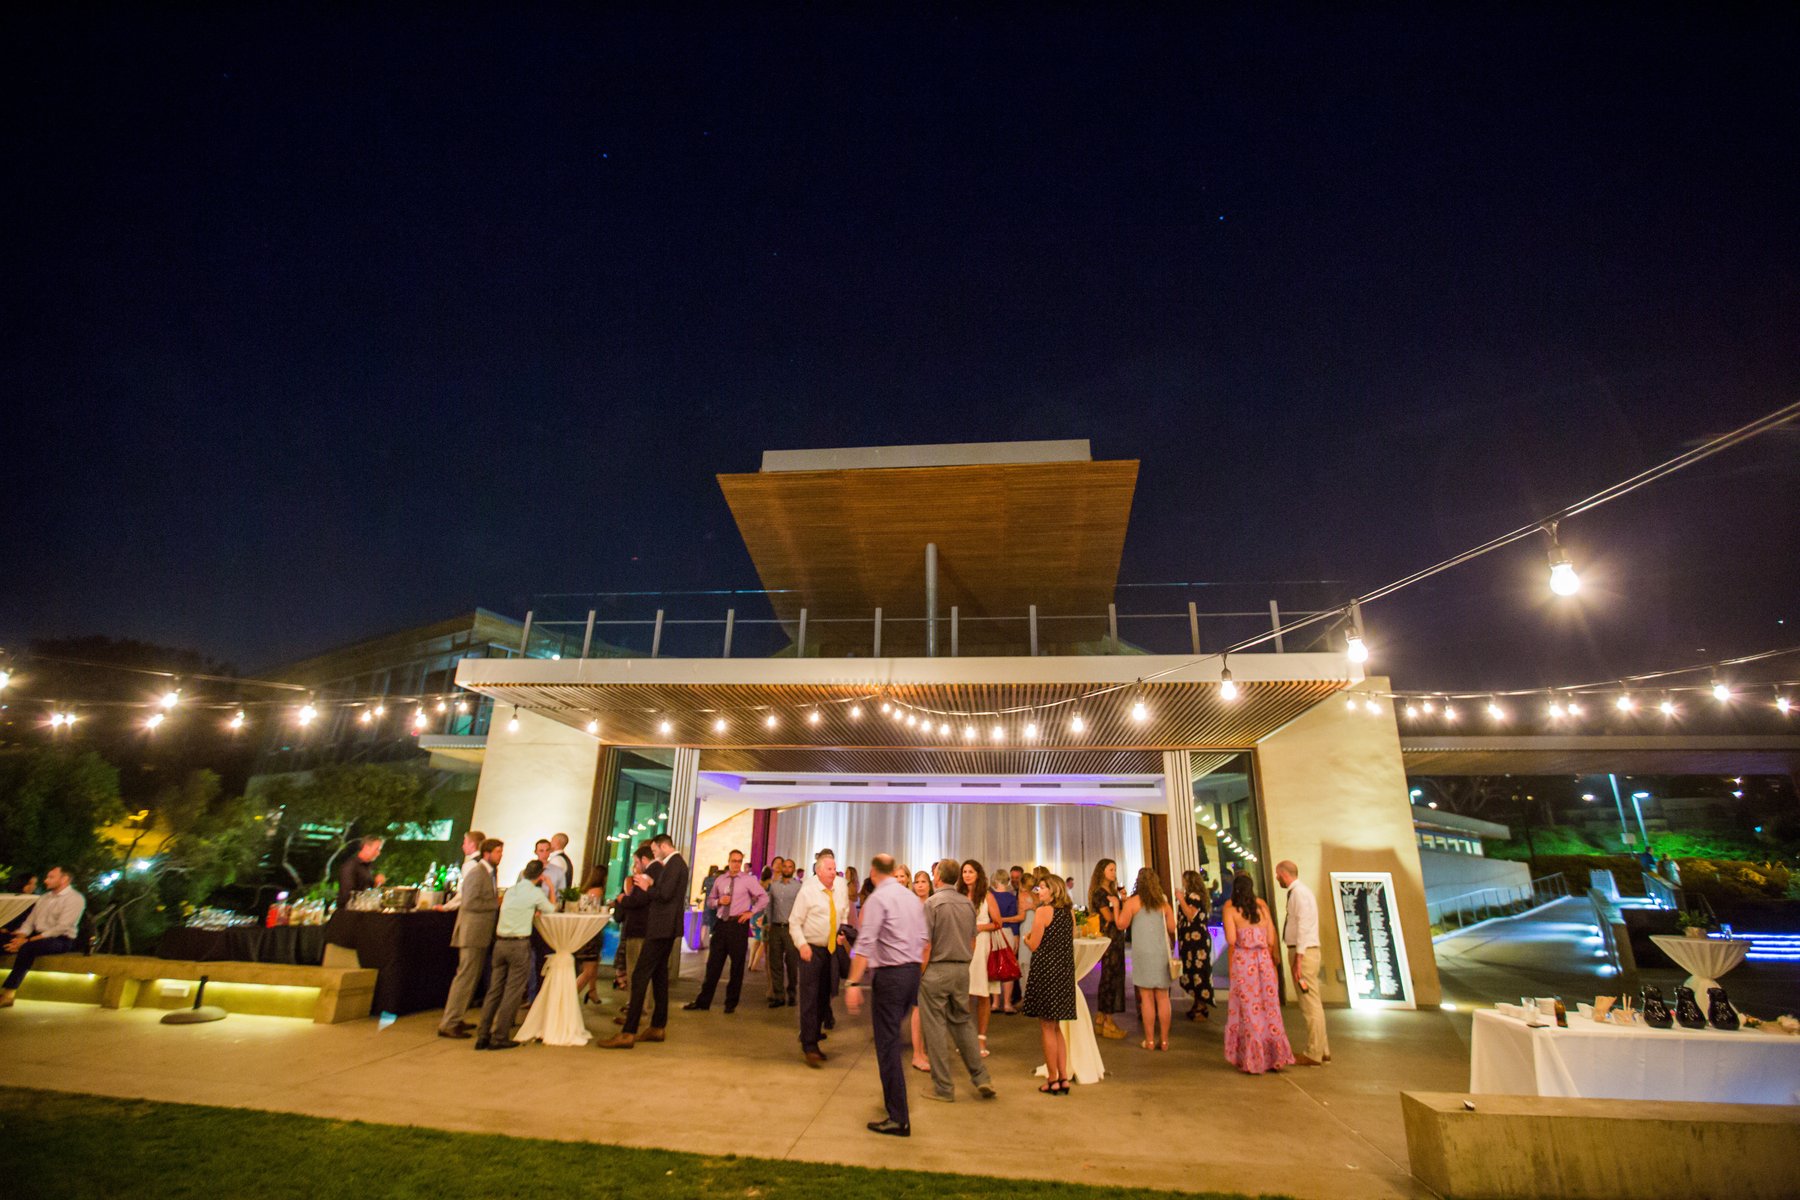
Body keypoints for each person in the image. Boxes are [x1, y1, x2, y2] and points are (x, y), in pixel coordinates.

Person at [844, 854, 927, 1137]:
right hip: (912, 973)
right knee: (892, 1039)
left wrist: (853, 983)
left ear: (873, 873)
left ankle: (898, 1117)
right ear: (893, 871)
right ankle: (897, 1110)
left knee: (888, 1045)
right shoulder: (911, 899)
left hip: (891, 976)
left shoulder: (878, 900)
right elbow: (923, 939)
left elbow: (865, 943)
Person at [598, 833, 689, 1049]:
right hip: (666, 927)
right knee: (659, 977)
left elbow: (665, 895)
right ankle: (657, 1026)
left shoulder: (675, 864)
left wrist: (648, 886)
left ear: (663, 846)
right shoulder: (675, 864)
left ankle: (628, 1032)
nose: (654, 855)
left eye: (655, 850)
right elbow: (666, 891)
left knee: (639, 976)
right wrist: (652, 883)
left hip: (661, 927)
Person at [918, 859, 997, 1103]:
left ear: (938, 877)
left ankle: (943, 1087)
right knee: (963, 1022)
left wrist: (920, 973)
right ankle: (981, 1077)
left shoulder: (932, 904)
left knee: (935, 1028)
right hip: (962, 969)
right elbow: (973, 940)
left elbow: (926, 944)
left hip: (936, 969)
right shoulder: (967, 904)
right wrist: (964, 963)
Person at [475, 859, 556, 1050]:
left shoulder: (511, 891)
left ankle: (483, 1034)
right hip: (519, 944)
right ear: (540, 876)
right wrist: (551, 888)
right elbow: (551, 909)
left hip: (500, 943)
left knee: (494, 990)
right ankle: (500, 1036)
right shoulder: (535, 893)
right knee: (513, 991)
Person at [1222, 872, 1295, 1075]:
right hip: (1263, 961)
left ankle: (1253, 1058)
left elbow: (1231, 939)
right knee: (1269, 1008)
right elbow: (1271, 939)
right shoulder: (1262, 909)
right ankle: (1274, 1056)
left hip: (1244, 961)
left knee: (1249, 1009)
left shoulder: (1231, 911)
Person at [685, 848, 768, 1013]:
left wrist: (751, 912)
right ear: (729, 861)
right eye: (733, 861)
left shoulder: (748, 880)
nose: (736, 864)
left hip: (738, 925)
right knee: (713, 965)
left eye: (739, 861)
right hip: (721, 924)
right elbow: (710, 901)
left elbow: (764, 897)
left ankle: (730, 1004)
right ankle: (703, 1001)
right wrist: (718, 902)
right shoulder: (720, 880)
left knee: (737, 966)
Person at [437, 838, 502, 1039]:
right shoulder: (477, 873)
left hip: (481, 933)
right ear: (486, 853)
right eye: (498, 852)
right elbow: (470, 902)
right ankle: (449, 1022)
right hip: (472, 932)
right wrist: (495, 903)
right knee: (465, 977)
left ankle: (457, 1017)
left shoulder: (490, 873)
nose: (500, 855)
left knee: (471, 978)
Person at [789, 848, 848, 1067]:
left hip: (830, 950)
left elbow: (842, 913)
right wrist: (802, 945)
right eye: (829, 869)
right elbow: (794, 922)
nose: (833, 872)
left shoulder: (839, 888)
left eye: (835, 868)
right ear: (819, 871)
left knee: (825, 995)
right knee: (810, 997)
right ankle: (809, 1045)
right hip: (811, 949)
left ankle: (814, 1035)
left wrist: (842, 932)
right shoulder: (808, 891)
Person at [1019, 873, 1075, 1095]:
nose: (1039, 891)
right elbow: (1070, 937)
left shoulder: (1043, 912)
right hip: (1063, 971)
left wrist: (1026, 939)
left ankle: (1052, 1078)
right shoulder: (1068, 912)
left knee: (1046, 1027)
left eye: (1042, 888)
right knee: (1057, 1026)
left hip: (1046, 971)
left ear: (1053, 890)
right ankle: (1063, 1076)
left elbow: (1034, 944)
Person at [0, 866, 85, 1007]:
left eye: (51, 877)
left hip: (61, 939)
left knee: (27, 948)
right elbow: (30, 922)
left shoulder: (75, 899)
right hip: (36, 936)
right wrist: (19, 937)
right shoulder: (44, 898)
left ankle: (9, 993)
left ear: (64, 879)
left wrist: (26, 941)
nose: (46, 880)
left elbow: (61, 928)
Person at [1276, 859, 1328, 1066]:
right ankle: (1322, 1049)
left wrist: (1298, 958)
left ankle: (1313, 1052)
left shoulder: (1298, 894)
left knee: (1309, 1004)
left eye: (1278, 875)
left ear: (1284, 874)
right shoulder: (1301, 892)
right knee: (1313, 1001)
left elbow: (1304, 926)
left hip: (1304, 953)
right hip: (1305, 951)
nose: (1277, 878)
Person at [1119, 867, 1177, 1051]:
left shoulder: (1133, 902)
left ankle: (1150, 1040)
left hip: (1142, 953)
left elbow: (1121, 924)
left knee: (1146, 998)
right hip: (1160, 953)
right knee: (1163, 997)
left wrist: (1117, 906)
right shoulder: (1163, 903)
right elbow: (1172, 927)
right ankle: (1165, 1040)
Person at [959, 860, 1002, 1056]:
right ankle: (966, 1038)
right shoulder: (958, 896)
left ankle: (981, 1038)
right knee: (964, 994)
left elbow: (998, 923)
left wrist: (979, 927)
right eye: (964, 872)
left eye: (971, 871)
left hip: (982, 945)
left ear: (978, 874)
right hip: (961, 945)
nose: (967, 875)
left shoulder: (987, 896)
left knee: (983, 993)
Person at [607, 844, 654, 1020]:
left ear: (644, 860)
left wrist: (623, 900)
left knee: (636, 971)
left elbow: (637, 902)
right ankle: (635, 1007)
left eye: (636, 862)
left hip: (639, 929)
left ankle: (637, 1011)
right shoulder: (647, 878)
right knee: (636, 971)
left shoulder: (645, 879)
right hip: (639, 929)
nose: (635, 866)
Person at [1087, 859, 1127, 1039]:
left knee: (1110, 976)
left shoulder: (1111, 892)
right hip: (1109, 938)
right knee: (1110, 978)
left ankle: (1101, 1017)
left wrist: (1122, 901)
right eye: (1111, 869)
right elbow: (1109, 917)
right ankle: (1108, 1021)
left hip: (1115, 937)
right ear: (1102, 871)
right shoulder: (1100, 893)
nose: (1114, 873)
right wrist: (1119, 906)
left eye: (1115, 869)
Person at [1177, 868, 1215, 1021]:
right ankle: (1198, 1003)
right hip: (1193, 940)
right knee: (1195, 970)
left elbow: (1190, 915)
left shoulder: (1194, 897)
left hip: (1195, 942)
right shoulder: (1199, 896)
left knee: (1197, 970)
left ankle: (1201, 1005)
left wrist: (1181, 899)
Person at [764, 857, 802, 1008]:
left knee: (792, 963)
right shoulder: (774, 886)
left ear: (793, 869)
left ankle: (792, 993)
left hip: (791, 929)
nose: (786, 869)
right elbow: (769, 906)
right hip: (775, 927)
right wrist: (768, 923)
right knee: (775, 963)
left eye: (789, 866)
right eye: (784, 866)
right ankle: (778, 995)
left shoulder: (798, 887)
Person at [573, 864, 609, 1004]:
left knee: (592, 964)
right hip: (591, 933)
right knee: (589, 969)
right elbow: (593, 911)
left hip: (585, 931)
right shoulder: (597, 891)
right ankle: (570, 996)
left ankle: (593, 991)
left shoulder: (585, 890)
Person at [989, 870, 1021, 1014]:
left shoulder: (990, 897)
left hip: (992, 931)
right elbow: (1014, 918)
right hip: (1007, 932)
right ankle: (1007, 1003)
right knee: (1008, 968)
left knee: (994, 967)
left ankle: (995, 1003)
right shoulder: (1011, 897)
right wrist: (1016, 936)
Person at [438, 830, 486, 911]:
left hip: (470, 910)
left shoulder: (470, 865)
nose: (463, 846)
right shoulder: (485, 863)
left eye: (465, 843)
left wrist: (446, 907)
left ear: (472, 845)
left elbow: (464, 892)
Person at [337, 835, 386, 907]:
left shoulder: (368, 867)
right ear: (366, 847)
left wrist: (377, 884)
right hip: (349, 911)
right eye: (377, 849)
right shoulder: (350, 866)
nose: (378, 853)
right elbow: (347, 896)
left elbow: (367, 891)